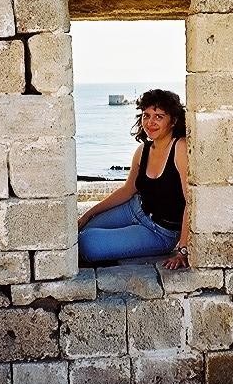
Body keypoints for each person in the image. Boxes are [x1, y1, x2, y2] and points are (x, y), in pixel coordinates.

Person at [77, 89, 189, 270]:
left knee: (87, 243)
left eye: (159, 117)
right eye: (146, 115)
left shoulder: (179, 147)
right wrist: (88, 214)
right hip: (134, 209)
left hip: (159, 232)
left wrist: (182, 250)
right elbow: (128, 190)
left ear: (173, 121)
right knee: (81, 230)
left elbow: (190, 201)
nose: (150, 122)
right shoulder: (142, 150)